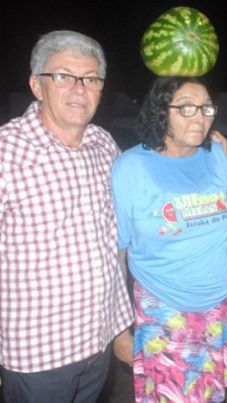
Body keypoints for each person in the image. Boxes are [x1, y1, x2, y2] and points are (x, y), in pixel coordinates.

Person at [111, 76, 227, 402]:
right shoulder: (131, 168)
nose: (199, 117)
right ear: (161, 111)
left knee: (211, 395)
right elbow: (117, 255)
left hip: (220, 303)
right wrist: (119, 328)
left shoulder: (218, 156)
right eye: (186, 108)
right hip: (164, 307)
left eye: (206, 108)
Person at [0, 30, 134, 402]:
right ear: (36, 85)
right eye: (62, 76)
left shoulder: (103, 145)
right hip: (37, 354)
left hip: (96, 342)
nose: (79, 89)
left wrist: (202, 143)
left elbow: (114, 242)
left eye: (91, 79)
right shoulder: (7, 152)